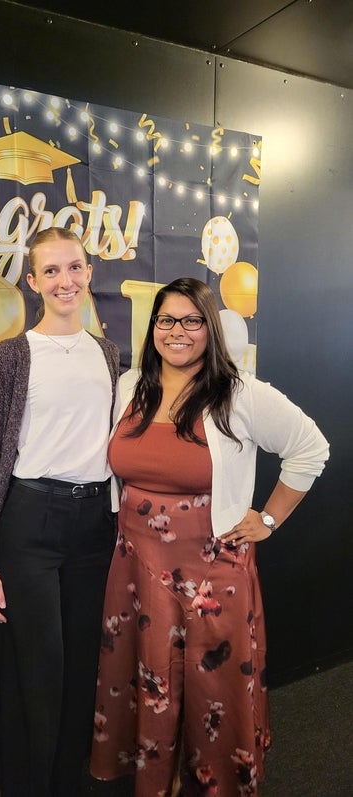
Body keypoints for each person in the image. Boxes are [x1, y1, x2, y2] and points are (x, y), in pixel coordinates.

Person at [89, 277, 329, 797]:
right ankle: (159, 781)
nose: (178, 332)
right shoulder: (131, 387)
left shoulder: (239, 393)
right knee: (148, 680)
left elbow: (311, 448)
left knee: (211, 689)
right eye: (166, 320)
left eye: (192, 320)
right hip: (135, 567)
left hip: (210, 573)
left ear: (211, 329)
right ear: (153, 327)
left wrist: (267, 519)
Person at [0, 227, 120, 797]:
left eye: (73, 267)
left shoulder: (107, 353)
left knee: (83, 670)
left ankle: (67, 783)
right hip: (29, 525)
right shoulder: (10, 357)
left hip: (94, 527)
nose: (64, 280)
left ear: (89, 272)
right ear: (32, 282)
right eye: (50, 271)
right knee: (38, 674)